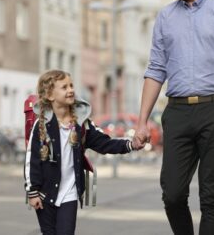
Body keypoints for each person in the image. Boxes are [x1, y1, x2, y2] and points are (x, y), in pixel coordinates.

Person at [133, 0, 214, 234]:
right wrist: (141, 122)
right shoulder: (166, 16)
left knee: (211, 195)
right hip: (177, 112)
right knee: (172, 194)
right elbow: (155, 69)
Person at [24, 70, 142, 235]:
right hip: (45, 193)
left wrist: (130, 145)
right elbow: (32, 160)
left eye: (71, 85)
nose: (70, 90)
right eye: (64, 87)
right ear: (50, 95)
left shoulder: (82, 124)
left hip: (70, 193)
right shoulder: (41, 125)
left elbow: (104, 143)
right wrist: (32, 191)